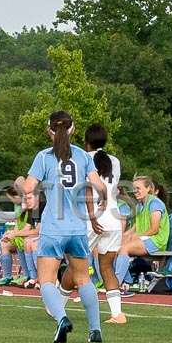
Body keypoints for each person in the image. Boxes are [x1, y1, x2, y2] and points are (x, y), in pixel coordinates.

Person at [22, 111, 108, 343]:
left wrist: (25, 190)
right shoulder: (82, 155)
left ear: (49, 129)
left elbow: (28, 187)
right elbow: (99, 186)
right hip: (77, 228)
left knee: (47, 280)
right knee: (84, 280)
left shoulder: (44, 157)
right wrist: (102, 202)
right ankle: (95, 330)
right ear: (72, 129)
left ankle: (61, 319)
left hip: (53, 228)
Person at [59, 124, 126, 324]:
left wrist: (93, 217)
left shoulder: (83, 159)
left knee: (75, 264)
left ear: (87, 141)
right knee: (107, 268)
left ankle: (57, 305)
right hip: (114, 219)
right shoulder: (114, 160)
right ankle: (117, 314)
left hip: (92, 219)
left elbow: (88, 190)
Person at [112, 176, 170, 293]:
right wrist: (121, 237)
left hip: (156, 240)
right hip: (145, 239)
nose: (135, 191)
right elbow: (134, 228)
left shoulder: (155, 203)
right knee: (113, 248)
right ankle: (127, 281)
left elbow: (154, 229)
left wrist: (135, 237)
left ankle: (115, 284)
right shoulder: (139, 205)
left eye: (138, 188)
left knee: (124, 248)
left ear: (148, 188)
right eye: (134, 188)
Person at [0, 180, 39, 287]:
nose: (11, 201)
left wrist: (14, 234)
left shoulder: (34, 207)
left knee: (25, 242)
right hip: (27, 236)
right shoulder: (23, 208)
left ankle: (31, 275)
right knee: (4, 243)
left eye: (29, 198)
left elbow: (34, 230)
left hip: (36, 237)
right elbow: (18, 226)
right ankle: (6, 276)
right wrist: (10, 233)